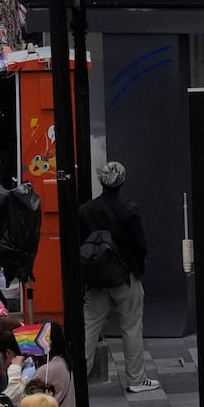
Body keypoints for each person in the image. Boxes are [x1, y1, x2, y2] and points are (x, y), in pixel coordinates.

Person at [76, 163, 152, 392]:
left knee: (89, 328)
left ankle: (77, 380)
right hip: (124, 277)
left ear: (101, 181)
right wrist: (138, 269)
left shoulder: (85, 210)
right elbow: (141, 245)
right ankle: (136, 380)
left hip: (96, 280)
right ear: (122, 182)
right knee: (131, 327)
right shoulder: (129, 209)